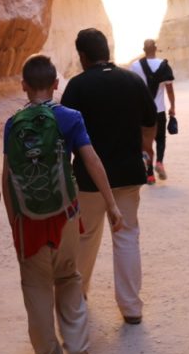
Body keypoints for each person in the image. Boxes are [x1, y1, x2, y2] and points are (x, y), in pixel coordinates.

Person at [2, 54, 123, 354]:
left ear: (24, 85)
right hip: (66, 215)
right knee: (68, 277)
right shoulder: (69, 118)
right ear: (57, 84)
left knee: (36, 288)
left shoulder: (14, 124)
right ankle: (78, 349)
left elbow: (8, 175)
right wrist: (111, 204)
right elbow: (91, 160)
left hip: (29, 222)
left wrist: (16, 220)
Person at [61, 29, 157, 325]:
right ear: (108, 50)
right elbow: (150, 121)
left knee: (86, 236)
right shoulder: (131, 80)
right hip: (129, 173)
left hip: (89, 178)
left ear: (83, 56)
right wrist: (146, 151)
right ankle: (131, 307)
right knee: (127, 234)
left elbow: (63, 133)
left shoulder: (77, 86)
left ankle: (78, 295)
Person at [129, 38, 175, 183]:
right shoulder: (164, 65)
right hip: (159, 110)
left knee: (145, 143)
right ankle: (159, 162)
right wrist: (173, 107)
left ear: (143, 49)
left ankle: (149, 174)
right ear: (155, 49)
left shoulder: (135, 66)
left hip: (142, 111)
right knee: (160, 138)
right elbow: (169, 90)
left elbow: (133, 90)